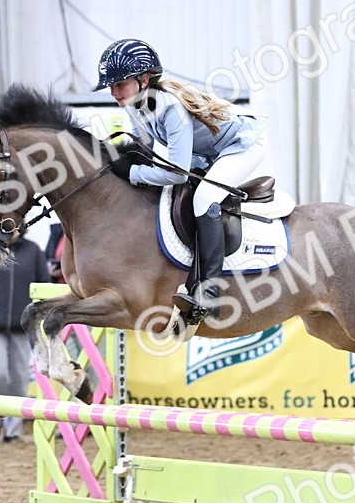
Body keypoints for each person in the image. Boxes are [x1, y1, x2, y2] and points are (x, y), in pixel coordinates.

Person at [94, 38, 269, 323]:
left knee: (203, 198)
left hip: (243, 144)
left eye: (120, 84)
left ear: (144, 79)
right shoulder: (134, 104)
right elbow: (144, 148)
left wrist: (134, 173)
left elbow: (176, 171)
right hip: (209, 152)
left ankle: (209, 292)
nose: (114, 92)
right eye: (111, 86)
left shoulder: (170, 108)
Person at [0, 231, 50, 442]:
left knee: (20, 379)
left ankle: (13, 430)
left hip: (23, 327)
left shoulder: (33, 251)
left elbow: (44, 283)